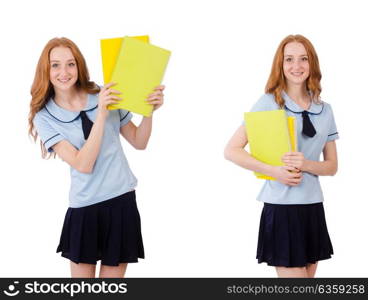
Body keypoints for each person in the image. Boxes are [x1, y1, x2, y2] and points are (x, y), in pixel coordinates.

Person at [28, 37, 165, 278]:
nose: (64, 72)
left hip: (121, 200)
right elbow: (83, 163)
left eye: (71, 64)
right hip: (84, 207)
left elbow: (139, 142)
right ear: (46, 70)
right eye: (55, 65)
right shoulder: (44, 116)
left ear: (79, 66)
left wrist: (149, 112)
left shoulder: (104, 93)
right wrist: (101, 113)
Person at [224, 34, 338, 278]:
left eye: (303, 59)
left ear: (312, 64)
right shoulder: (269, 103)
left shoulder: (324, 109)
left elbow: (332, 166)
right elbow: (231, 150)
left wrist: (306, 164)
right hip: (283, 208)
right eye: (289, 59)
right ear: (281, 64)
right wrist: (275, 172)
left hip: (313, 207)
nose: (296, 66)